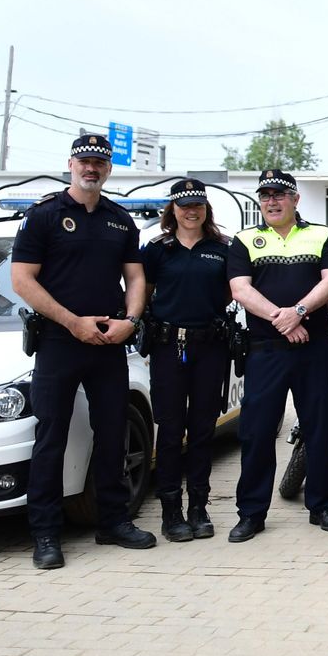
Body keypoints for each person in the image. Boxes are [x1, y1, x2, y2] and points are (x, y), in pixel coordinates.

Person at [11, 133, 156, 568]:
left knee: (112, 433)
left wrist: (130, 320)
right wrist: (72, 321)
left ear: (108, 168)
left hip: (109, 342)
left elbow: (135, 278)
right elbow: (22, 280)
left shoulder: (119, 220)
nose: (91, 168)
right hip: (59, 341)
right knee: (50, 437)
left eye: (99, 162)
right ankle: (46, 534)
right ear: (70, 164)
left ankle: (113, 521)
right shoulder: (44, 216)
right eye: (84, 161)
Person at [225, 169, 328, 542]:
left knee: (319, 429)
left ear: (295, 199)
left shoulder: (321, 234)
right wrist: (284, 318)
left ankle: (322, 506)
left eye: (279, 194)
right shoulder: (245, 240)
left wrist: (300, 312)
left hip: (314, 349)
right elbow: (240, 290)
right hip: (266, 351)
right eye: (265, 196)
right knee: (257, 432)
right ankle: (251, 514)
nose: (272, 201)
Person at [140, 178, 233, 543]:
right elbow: (143, 295)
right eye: (183, 205)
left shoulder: (222, 249)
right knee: (169, 430)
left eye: (197, 204)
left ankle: (198, 506)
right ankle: (171, 511)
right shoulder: (157, 250)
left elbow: (228, 294)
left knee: (202, 430)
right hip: (168, 348)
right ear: (172, 209)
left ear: (206, 208)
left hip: (209, 347)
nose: (191, 211)